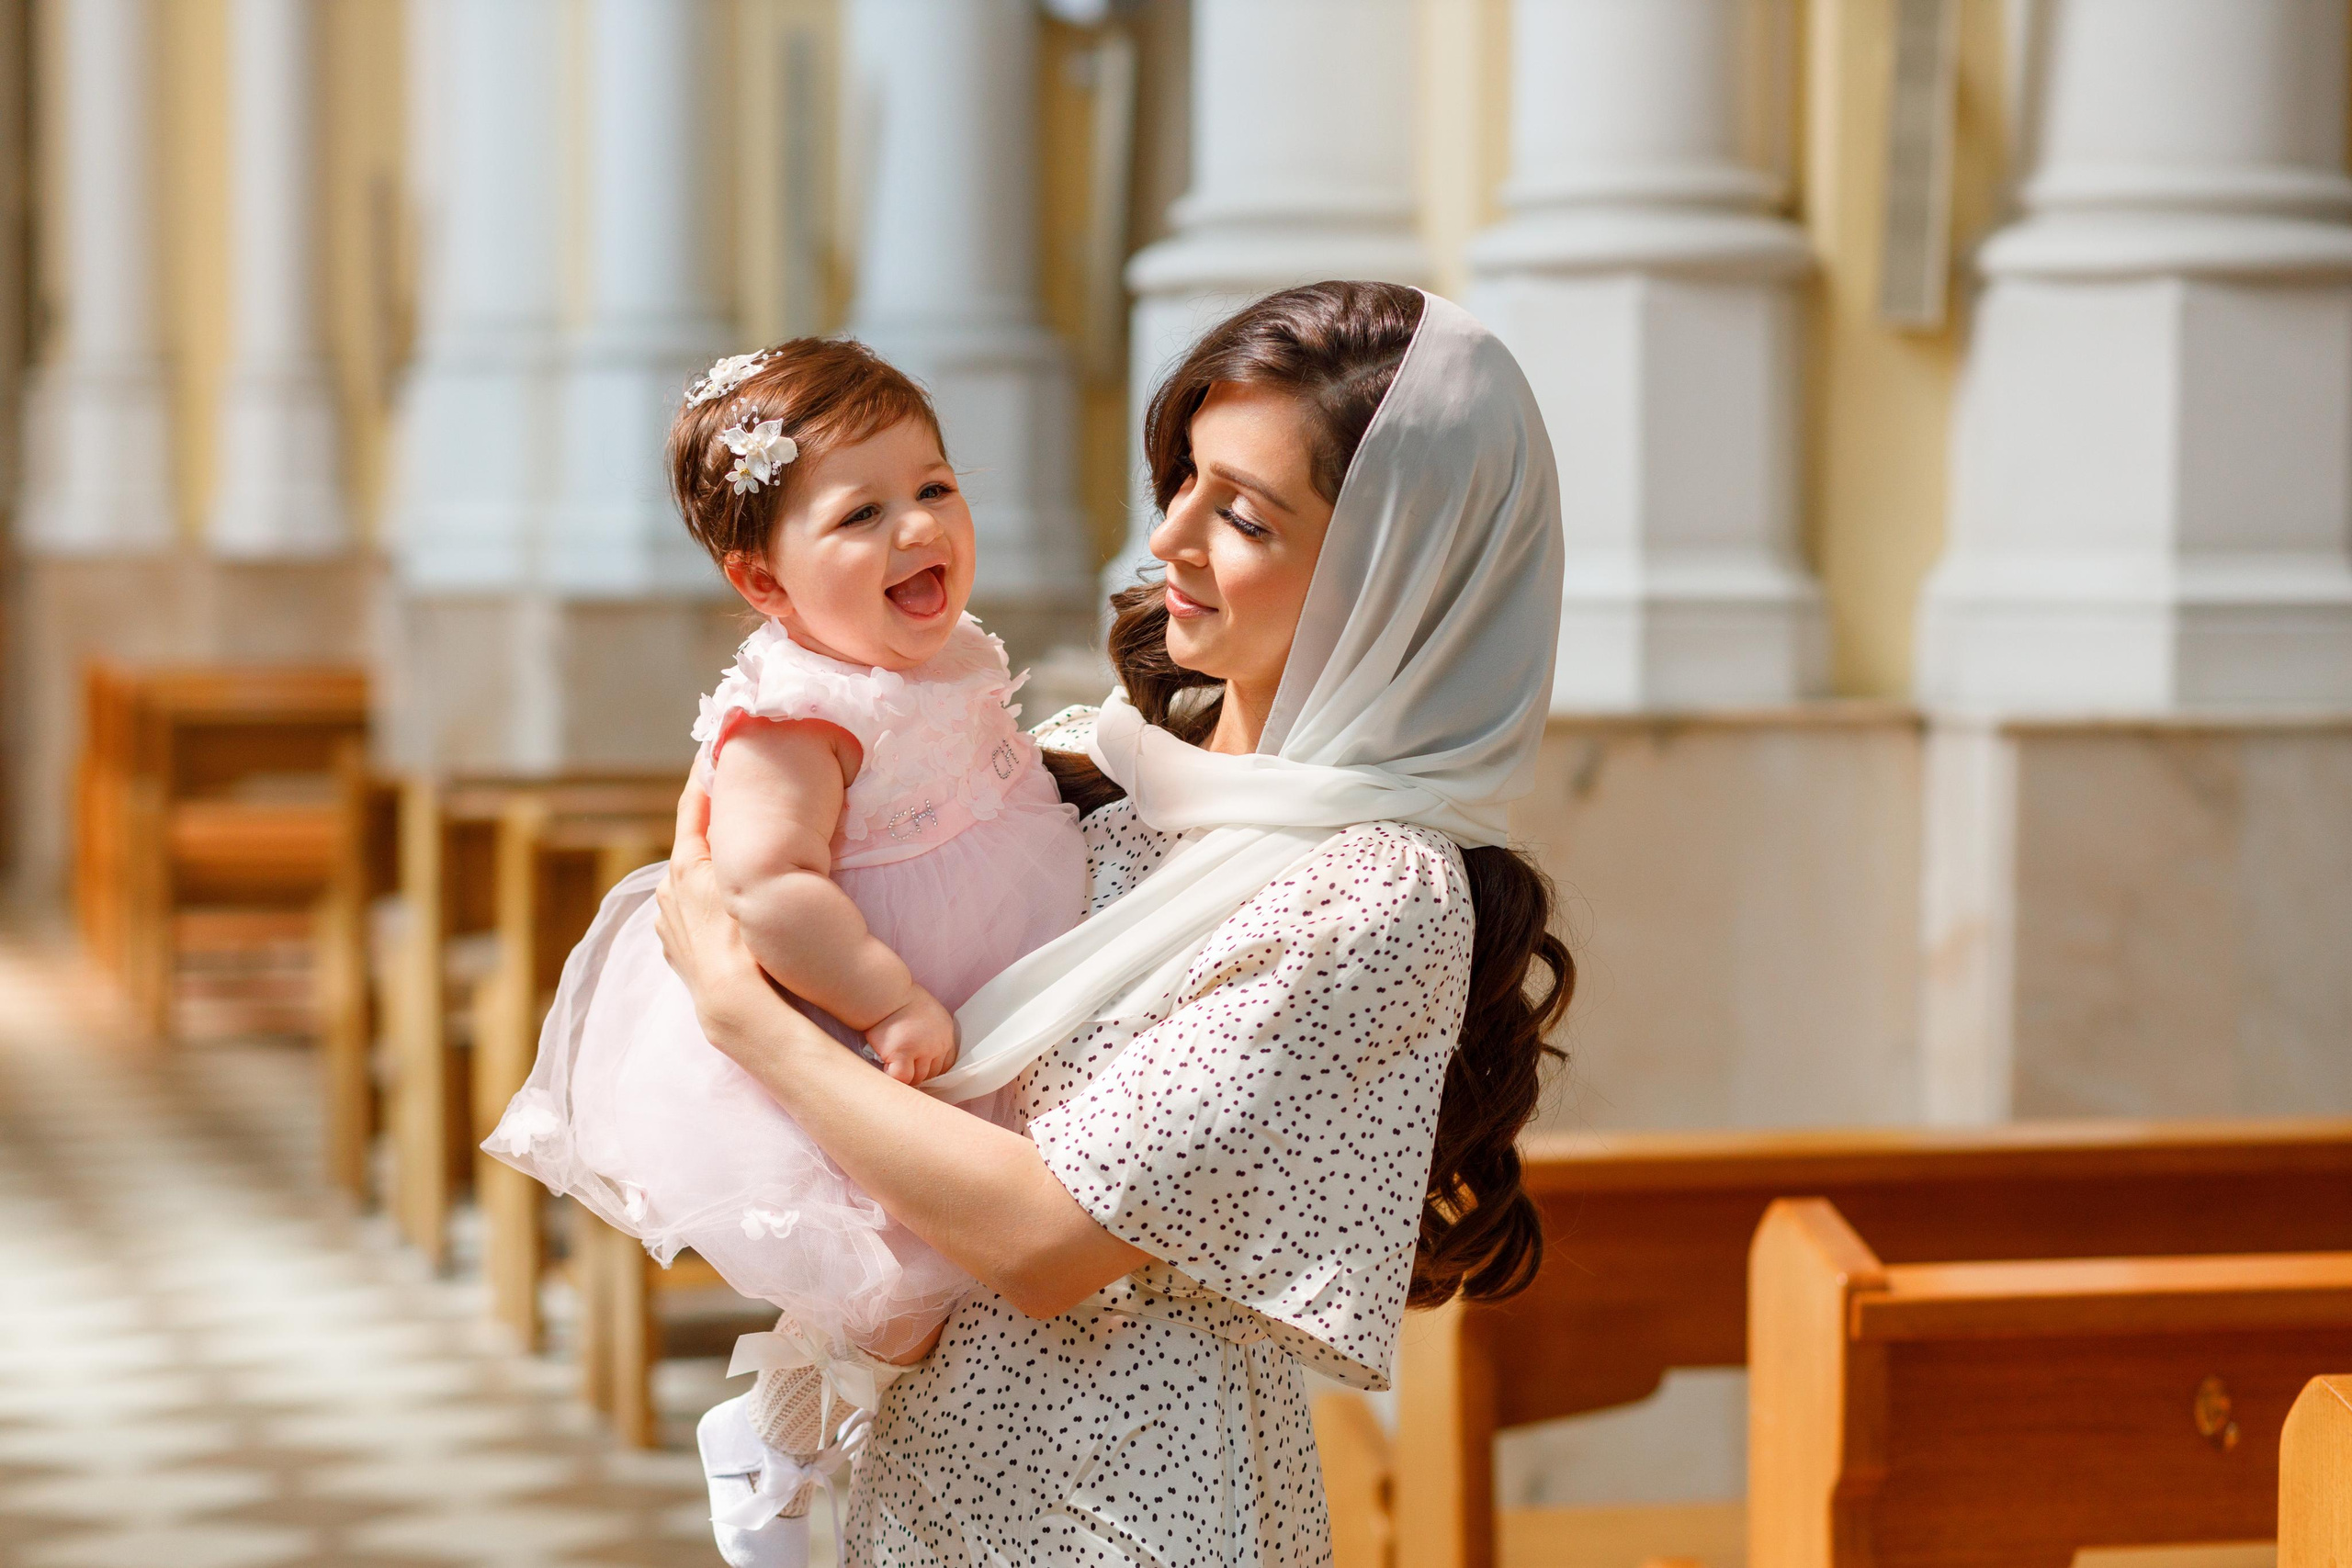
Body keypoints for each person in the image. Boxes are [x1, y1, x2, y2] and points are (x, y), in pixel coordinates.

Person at [653, 281, 1576, 1566]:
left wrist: (750, 1023)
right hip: (928, 1479)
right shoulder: (1098, 762)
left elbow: (1042, 1239)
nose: (1172, 540)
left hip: (1128, 1511)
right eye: (1184, 479)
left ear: (1396, 570)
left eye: (1244, 515)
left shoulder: (1369, 892)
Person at [482, 339, 1089, 1562]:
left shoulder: (944, 653)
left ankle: (803, 1430)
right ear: (766, 586)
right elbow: (768, 889)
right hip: (852, 1024)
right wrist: (892, 997)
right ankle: (775, 1439)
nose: (918, 529)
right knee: (895, 1286)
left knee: (927, 1285)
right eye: (861, 513)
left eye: (933, 487)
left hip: (978, 997)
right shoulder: (799, 714)